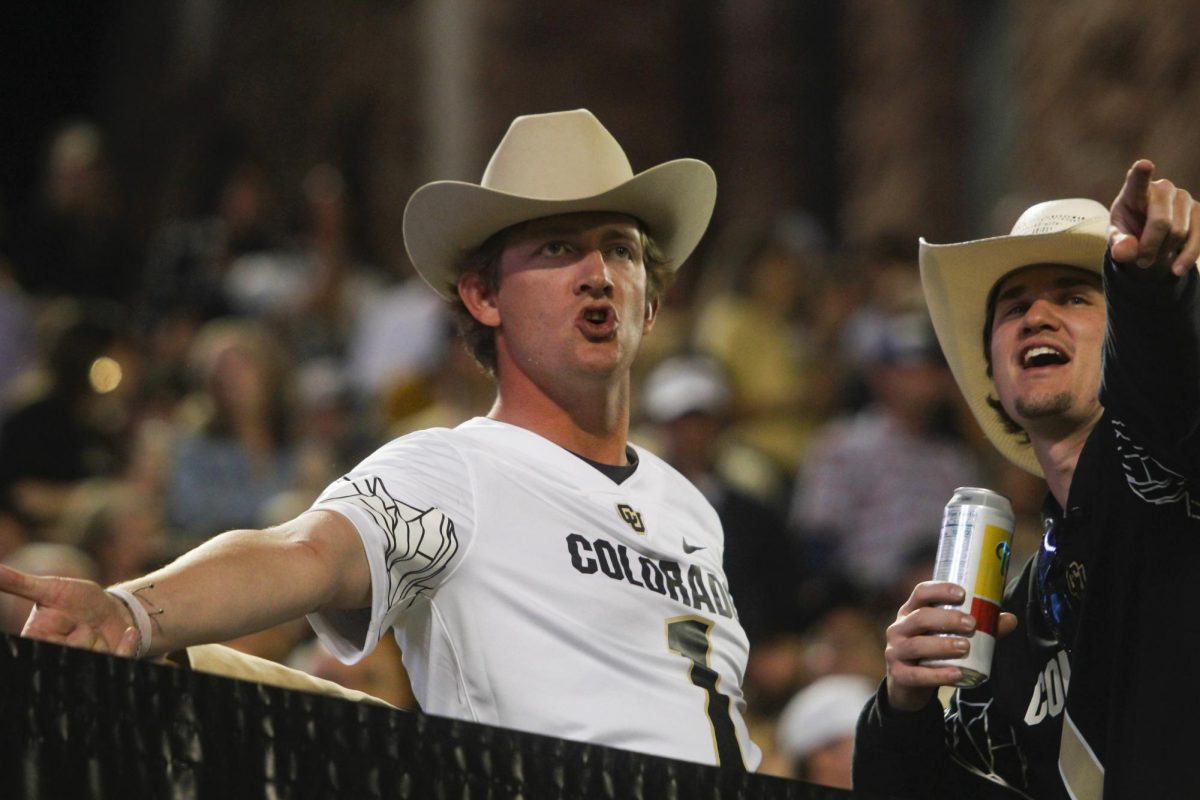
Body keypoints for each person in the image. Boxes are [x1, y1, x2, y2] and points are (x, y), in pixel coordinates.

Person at [0, 109, 761, 770]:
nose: (598, 273)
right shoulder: (454, 469)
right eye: (558, 249)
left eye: (621, 249)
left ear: (652, 304)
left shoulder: (692, 508)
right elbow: (303, 553)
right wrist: (131, 611)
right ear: (482, 295)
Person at [853, 160, 1200, 799]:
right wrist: (902, 709)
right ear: (991, 366)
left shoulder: (1180, 488)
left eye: (1073, 295)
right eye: (1014, 307)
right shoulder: (1012, 622)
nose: (1038, 316)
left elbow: (1174, 392)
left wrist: (1150, 290)